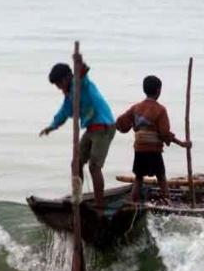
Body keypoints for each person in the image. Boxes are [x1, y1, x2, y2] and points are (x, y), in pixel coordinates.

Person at [39, 55, 116, 208]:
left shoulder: (80, 83)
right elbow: (63, 112)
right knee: (76, 163)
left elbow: (83, 72)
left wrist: (79, 63)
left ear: (68, 77)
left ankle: (100, 205)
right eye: (57, 85)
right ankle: (78, 197)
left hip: (104, 126)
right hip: (91, 128)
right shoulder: (69, 95)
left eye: (60, 83)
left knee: (94, 166)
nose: (60, 87)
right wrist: (52, 126)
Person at [116, 75, 191, 202]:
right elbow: (164, 134)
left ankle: (133, 202)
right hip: (153, 150)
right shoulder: (160, 110)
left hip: (139, 149)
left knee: (138, 177)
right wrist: (182, 144)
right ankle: (167, 202)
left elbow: (120, 123)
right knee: (161, 177)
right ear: (158, 91)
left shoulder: (136, 108)